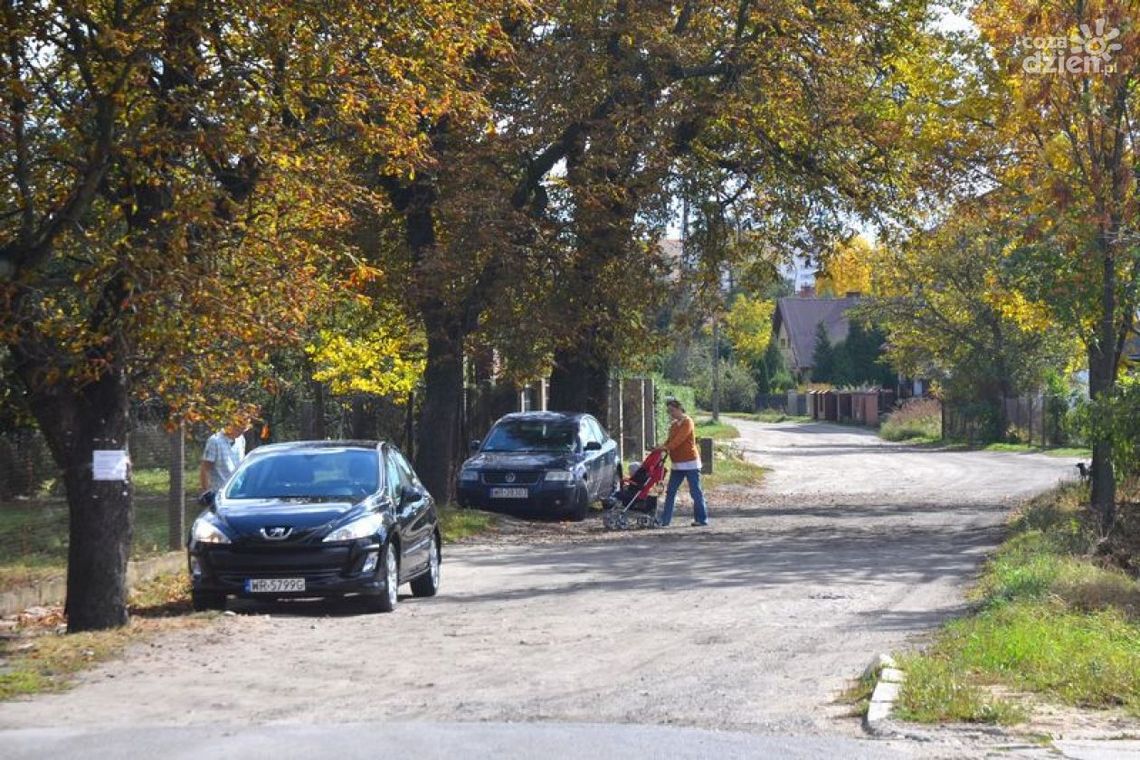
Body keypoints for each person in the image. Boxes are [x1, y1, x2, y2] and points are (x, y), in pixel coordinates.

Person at [653, 399, 709, 527]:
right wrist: (660, 447)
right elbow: (669, 441)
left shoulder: (688, 422)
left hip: (690, 463)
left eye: (672, 410)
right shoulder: (674, 425)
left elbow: (679, 440)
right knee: (671, 491)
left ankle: (702, 519)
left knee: (695, 492)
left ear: (679, 409)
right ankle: (664, 520)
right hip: (677, 464)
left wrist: (666, 448)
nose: (670, 413)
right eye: (668, 411)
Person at [199, 416, 249, 494]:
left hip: (238, 492)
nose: (241, 432)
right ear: (231, 425)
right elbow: (205, 469)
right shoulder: (214, 441)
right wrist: (206, 492)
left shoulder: (241, 439)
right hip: (219, 493)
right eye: (239, 429)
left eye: (244, 429)